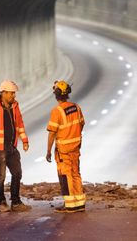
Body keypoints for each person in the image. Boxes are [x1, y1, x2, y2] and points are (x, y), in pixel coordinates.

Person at [0, 80, 31, 213]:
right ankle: (1, 202)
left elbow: (19, 124)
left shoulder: (15, 106)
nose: (14, 96)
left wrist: (24, 140)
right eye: (11, 93)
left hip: (11, 147)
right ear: (3, 93)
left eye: (14, 93)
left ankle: (15, 202)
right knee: (1, 176)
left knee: (17, 173)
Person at [45, 80, 86, 213]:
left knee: (65, 175)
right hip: (75, 147)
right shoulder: (76, 107)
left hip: (63, 150)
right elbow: (82, 123)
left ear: (56, 95)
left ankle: (69, 205)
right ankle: (80, 203)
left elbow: (52, 133)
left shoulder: (57, 111)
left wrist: (48, 151)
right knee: (76, 173)